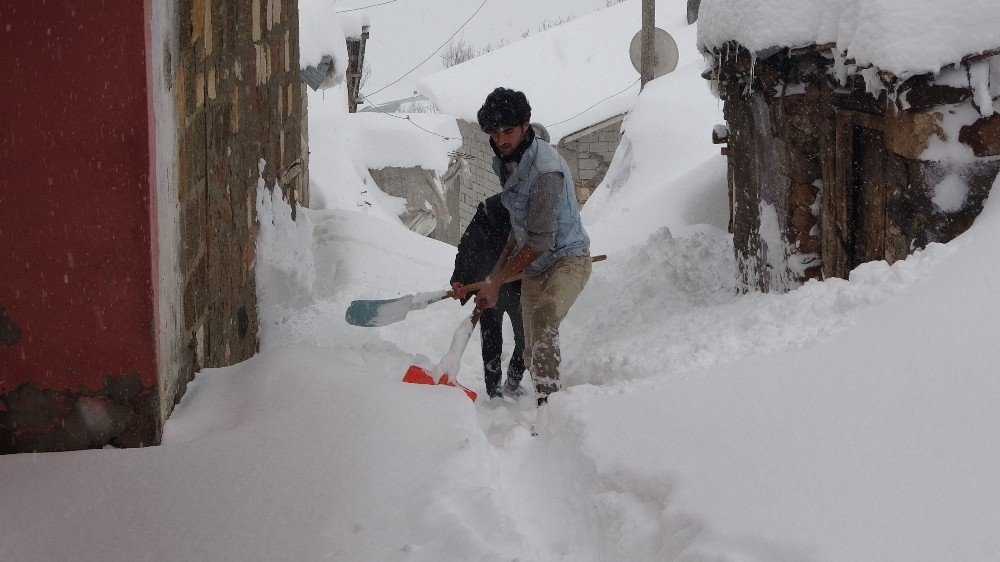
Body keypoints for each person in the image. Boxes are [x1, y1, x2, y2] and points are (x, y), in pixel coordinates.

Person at [454, 87, 592, 406]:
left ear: (526, 125)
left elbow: (541, 239)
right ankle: (537, 390)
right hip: (534, 265)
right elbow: (519, 228)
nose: (501, 139)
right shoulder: (505, 162)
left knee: (544, 318)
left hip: (567, 258)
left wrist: (498, 279)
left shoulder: (547, 172)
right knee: (530, 345)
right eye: (495, 133)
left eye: (509, 131)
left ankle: (550, 405)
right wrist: (493, 274)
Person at [450, 192, 526, 399]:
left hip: (522, 286)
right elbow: (468, 245)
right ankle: (494, 392)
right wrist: (459, 278)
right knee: (492, 340)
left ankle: (513, 380)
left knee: (526, 338)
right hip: (488, 285)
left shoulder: (533, 206)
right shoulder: (490, 207)